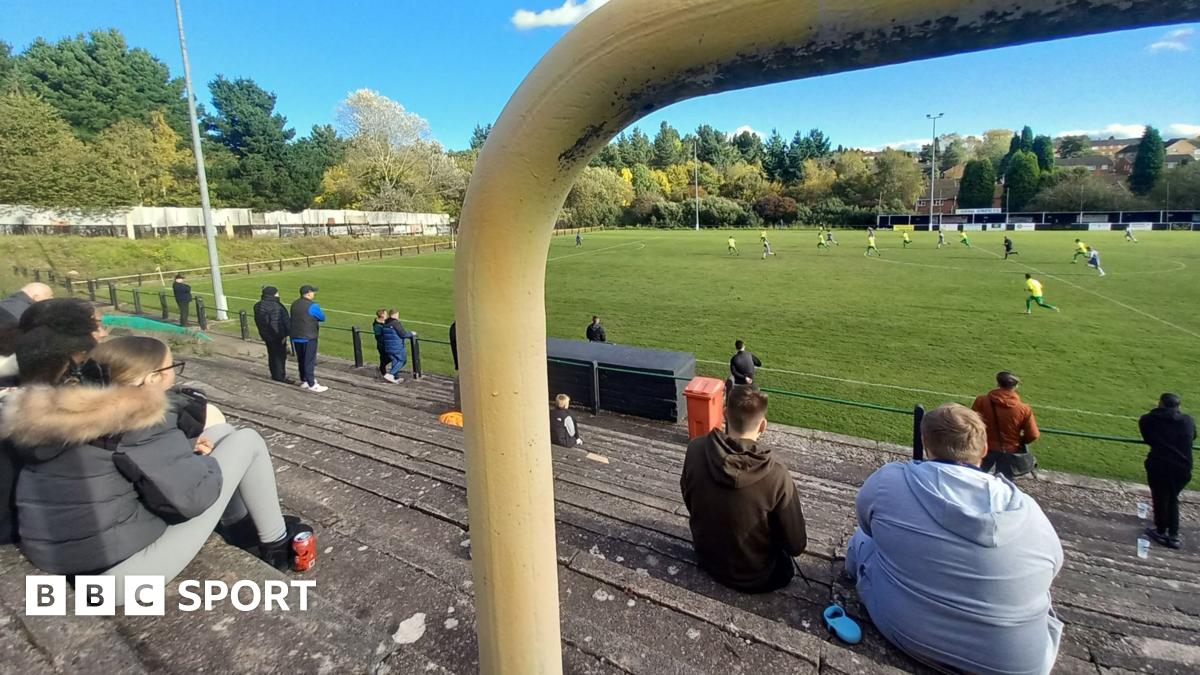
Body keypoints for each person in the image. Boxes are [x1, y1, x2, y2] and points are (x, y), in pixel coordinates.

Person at [0, 336, 314, 605]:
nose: (174, 376)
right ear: (151, 379)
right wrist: (201, 461)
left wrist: (190, 452)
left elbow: (121, 465)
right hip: (112, 578)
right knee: (247, 440)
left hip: (55, 553)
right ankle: (275, 545)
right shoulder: (138, 421)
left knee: (222, 435)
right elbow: (196, 497)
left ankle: (240, 526)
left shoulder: (65, 411)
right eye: (171, 368)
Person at [844, 403, 1063, 675]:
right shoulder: (1029, 510)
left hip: (908, 633)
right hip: (1022, 664)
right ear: (984, 450)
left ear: (925, 443)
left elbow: (867, 526)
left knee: (862, 541)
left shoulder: (890, 480)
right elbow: (1053, 568)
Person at [0, 298, 107, 546]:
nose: (102, 333)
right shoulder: (52, 414)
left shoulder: (17, 385)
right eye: (96, 326)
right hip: (22, 528)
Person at [680, 386, 807, 593]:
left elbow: (689, 499)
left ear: (723, 413)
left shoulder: (695, 449)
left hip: (707, 558)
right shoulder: (777, 475)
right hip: (757, 577)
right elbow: (796, 545)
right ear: (763, 425)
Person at [1139, 393, 1195, 549]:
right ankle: (1173, 534)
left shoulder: (1148, 419)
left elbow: (1148, 438)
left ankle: (1162, 530)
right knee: (1172, 498)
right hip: (1183, 466)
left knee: (1160, 497)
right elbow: (1192, 437)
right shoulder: (1187, 421)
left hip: (1159, 463)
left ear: (1160, 404)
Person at [972, 371, 1040, 478]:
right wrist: (1020, 440)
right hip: (1009, 450)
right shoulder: (1023, 409)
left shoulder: (981, 401)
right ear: (1016, 386)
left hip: (983, 446)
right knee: (1005, 483)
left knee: (974, 477)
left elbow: (971, 423)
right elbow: (1033, 434)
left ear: (998, 384)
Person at [289, 285, 327, 392]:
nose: (314, 294)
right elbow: (322, 317)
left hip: (296, 336)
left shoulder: (294, 304)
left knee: (301, 359)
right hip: (308, 336)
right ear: (309, 293)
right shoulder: (313, 306)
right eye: (313, 292)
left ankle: (304, 380)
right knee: (309, 360)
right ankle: (312, 383)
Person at [252, 286, 292, 384]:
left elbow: (260, 321)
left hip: (266, 335)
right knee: (279, 356)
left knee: (272, 354)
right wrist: (284, 334)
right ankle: (280, 376)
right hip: (277, 336)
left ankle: (275, 374)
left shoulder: (258, 305)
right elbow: (280, 322)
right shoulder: (277, 306)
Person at [380, 309, 414, 383]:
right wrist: (412, 333)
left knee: (395, 361)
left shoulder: (385, 323)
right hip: (397, 347)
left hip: (388, 347)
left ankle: (395, 378)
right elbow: (403, 334)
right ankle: (391, 374)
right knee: (402, 360)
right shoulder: (396, 323)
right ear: (395, 314)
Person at [371, 309, 389, 376]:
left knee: (384, 359)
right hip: (382, 345)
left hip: (385, 344)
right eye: (385, 314)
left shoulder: (384, 322)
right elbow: (378, 336)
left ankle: (383, 372)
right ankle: (383, 371)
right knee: (386, 358)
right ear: (382, 315)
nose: (386, 315)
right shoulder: (377, 326)